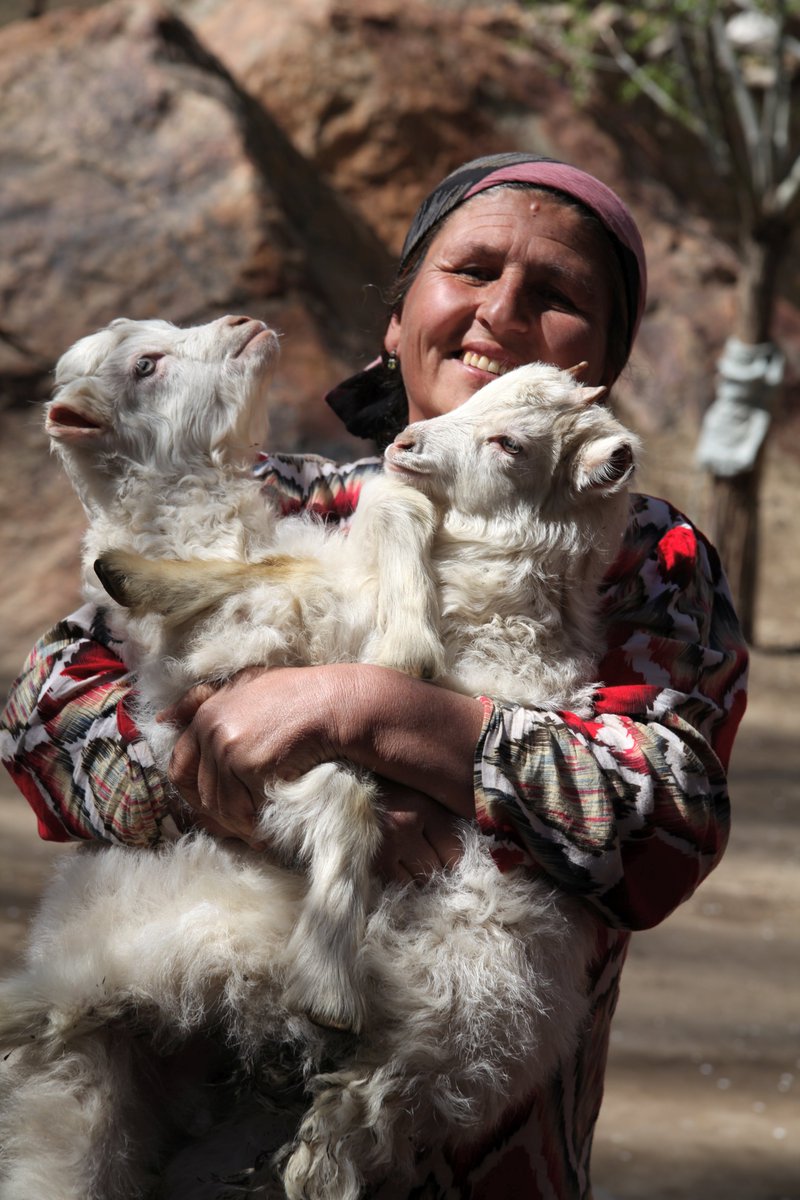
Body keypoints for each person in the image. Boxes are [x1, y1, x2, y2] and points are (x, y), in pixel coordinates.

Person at [0, 152, 748, 1198]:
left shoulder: (639, 556)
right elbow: (47, 711)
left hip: (446, 1154)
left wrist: (364, 708)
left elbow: (660, 822)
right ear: (397, 321)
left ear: (602, 363)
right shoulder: (273, 497)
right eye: (470, 270)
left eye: (558, 296)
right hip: (158, 1098)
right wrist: (222, 771)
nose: (499, 312)